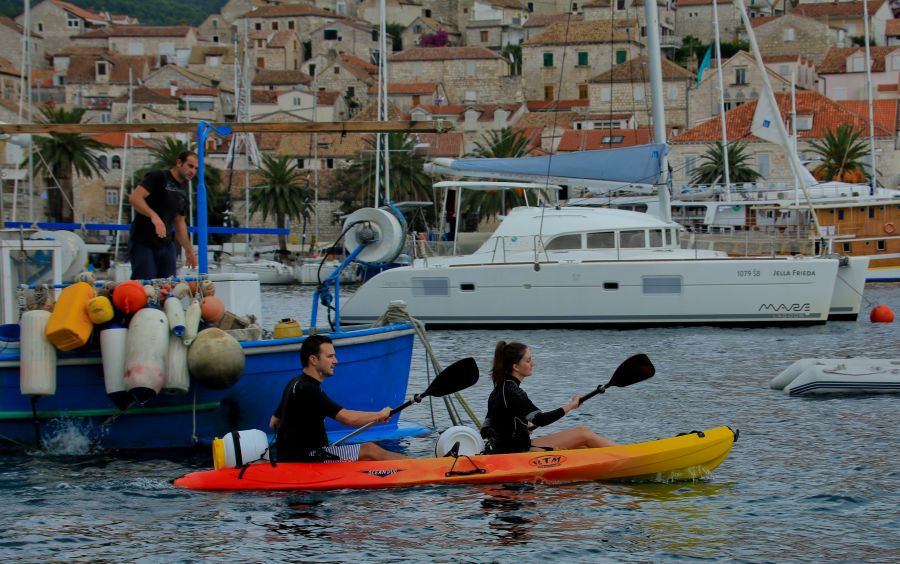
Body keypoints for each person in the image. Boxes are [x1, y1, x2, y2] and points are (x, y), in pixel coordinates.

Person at [269, 335, 406, 462]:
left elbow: (274, 422)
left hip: (295, 456)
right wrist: (380, 414)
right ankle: (418, 467)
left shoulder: (294, 383)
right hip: (310, 458)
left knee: (365, 452)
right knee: (370, 449)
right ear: (313, 360)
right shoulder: (309, 389)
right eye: (330, 357)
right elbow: (348, 418)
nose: (335, 361)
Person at [481, 341, 617, 454]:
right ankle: (627, 454)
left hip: (508, 450)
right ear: (515, 366)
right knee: (583, 433)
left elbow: (487, 428)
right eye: (528, 360)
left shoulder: (498, 390)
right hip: (518, 454)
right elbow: (541, 420)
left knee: (582, 446)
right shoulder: (512, 391)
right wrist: (571, 405)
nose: (533, 364)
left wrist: (522, 428)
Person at [128, 151, 199, 280]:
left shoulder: (185, 189)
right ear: (179, 163)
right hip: (144, 242)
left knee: (168, 286)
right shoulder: (158, 177)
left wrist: (189, 250)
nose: (192, 171)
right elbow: (135, 198)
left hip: (166, 244)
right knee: (146, 287)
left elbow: (180, 222)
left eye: (196, 168)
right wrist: (153, 216)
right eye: (190, 166)